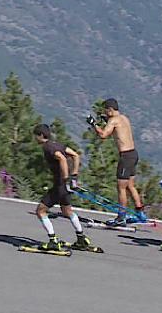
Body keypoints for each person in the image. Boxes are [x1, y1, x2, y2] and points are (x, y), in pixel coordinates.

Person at [32, 124, 94, 252]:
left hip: (60, 185)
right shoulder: (57, 144)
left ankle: (53, 241)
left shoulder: (48, 147)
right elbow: (76, 155)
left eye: (36, 136)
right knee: (67, 211)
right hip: (66, 186)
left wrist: (65, 178)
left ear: (41, 136)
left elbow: (61, 158)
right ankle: (81, 238)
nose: (35, 139)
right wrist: (74, 176)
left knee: (40, 211)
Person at [89, 98, 146, 222]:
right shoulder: (124, 118)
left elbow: (103, 135)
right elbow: (119, 129)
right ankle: (140, 212)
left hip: (125, 156)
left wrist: (93, 124)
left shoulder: (113, 121)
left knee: (121, 187)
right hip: (133, 154)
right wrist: (106, 120)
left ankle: (121, 216)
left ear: (109, 109)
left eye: (105, 110)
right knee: (130, 185)